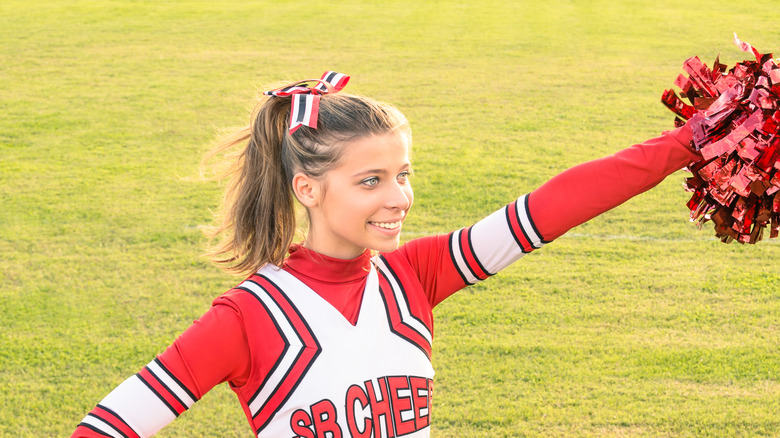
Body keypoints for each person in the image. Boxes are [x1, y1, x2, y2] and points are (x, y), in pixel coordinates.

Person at [71, 71, 699, 438]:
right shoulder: (249, 317)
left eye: (402, 174)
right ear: (308, 189)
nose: (399, 197)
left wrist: (690, 140)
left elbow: (556, 207)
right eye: (369, 180)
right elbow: (109, 426)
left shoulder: (414, 275)